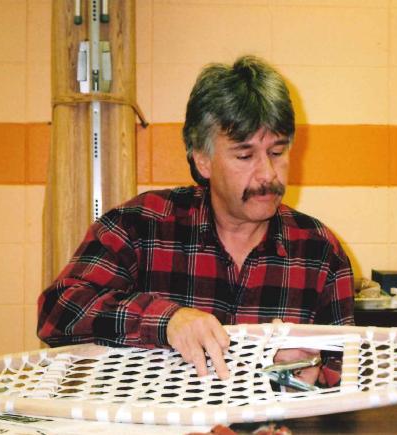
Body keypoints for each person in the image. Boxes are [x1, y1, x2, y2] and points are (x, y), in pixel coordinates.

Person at [37, 55, 354, 388]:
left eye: (277, 152)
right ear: (203, 160)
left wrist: (312, 370)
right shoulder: (143, 225)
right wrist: (167, 320)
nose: (268, 174)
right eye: (245, 156)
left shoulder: (320, 252)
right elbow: (57, 312)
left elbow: (347, 372)